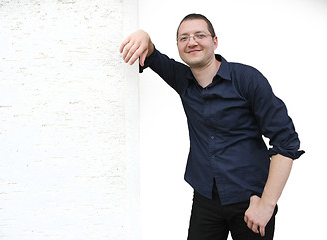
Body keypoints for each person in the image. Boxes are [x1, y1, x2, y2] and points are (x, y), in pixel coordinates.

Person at [120, 13, 304, 240]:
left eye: (200, 35)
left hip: (250, 201)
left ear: (214, 41)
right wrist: (143, 35)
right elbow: (153, 54)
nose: (192, 42)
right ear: (178, 46)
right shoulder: (182, 80)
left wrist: (267, 205)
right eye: (183, 38)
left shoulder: (247, 79)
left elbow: (286, 142)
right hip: (205, 198)